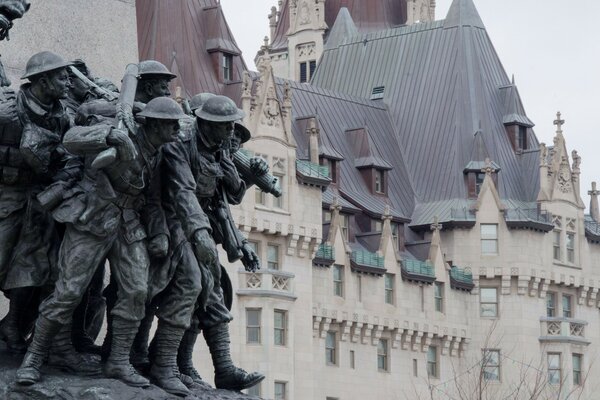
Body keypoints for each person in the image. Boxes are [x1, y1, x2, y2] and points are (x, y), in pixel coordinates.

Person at [15, 97, 186, 387]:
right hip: (93, 217)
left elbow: (153, 199)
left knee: (136, 290)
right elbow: (71, 139)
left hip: (128, 222)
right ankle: (33, 357)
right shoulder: (120, 130)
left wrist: (160, 233)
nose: (177, 130)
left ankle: (118, 362)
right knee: (68, 292)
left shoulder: (159, 153)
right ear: (155, 124)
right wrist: (109, 135)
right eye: (172, 124)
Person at [158, 95, 265, 391]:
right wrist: (200, 234)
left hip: (196, 223)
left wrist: (239, 242)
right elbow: (182, 194)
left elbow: (222, 202)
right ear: (207, 123)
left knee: (214, 289)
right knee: (191, 283)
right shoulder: (181, 144)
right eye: (226, 126)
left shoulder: (218, 149)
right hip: (171, 220)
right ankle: (163, 363)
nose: (232, 131)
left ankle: (224, 369)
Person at [0, 51, 81, 356]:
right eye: (62, 77)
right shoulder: (7, 108)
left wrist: (62, 181)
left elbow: (72, 158)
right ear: (43, 80)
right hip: (5, 194)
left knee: (34, 267)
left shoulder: (64, 116)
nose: (68, 82)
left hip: (40, 198)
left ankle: (13, 325)